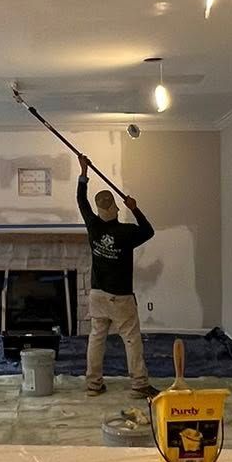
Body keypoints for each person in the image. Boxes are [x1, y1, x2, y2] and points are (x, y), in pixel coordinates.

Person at [76, 154, 157, 396]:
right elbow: (149, 231)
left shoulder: (93, 225)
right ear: (115, 207)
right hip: (120, 297)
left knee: (97, 338)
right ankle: (139, 385)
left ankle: (93, 385)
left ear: (100, 210)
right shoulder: (126, 232)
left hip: (97, 294)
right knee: (131, 339)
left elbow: (81, 201)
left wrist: (83, 173)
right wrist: (136, 208)